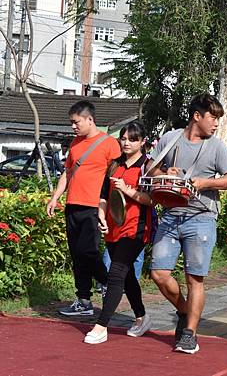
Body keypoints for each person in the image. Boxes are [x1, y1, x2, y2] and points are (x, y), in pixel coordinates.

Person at [147, 93, 227, 354]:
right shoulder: (171, 138)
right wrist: (165, 172)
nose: (215, 124)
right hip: (170, 215)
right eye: (212, 118)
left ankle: (189, 332)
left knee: (194, 279)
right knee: (159, 274)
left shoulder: (217, 147)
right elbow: (150, 168)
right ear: (196, 116)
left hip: (201, 218)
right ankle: (185, 311)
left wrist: (205, 182)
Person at [47, 100, 121, 316]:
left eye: (76, 122)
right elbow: (67, 173)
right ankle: (83, 300)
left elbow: (114, 178)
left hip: (93, 207)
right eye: (71, 122)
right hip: (73, 205)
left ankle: (107, 283)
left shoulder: (109, 144)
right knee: (77, 254)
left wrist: (108, 208)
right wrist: (55, 198)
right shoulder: (75, 144)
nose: (73, 126)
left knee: (87, 251)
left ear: (90, 119)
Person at [84, 121, 154, 344]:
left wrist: (129, 191)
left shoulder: (148, 166)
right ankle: (142, 317)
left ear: (142, 142)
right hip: (114, 227)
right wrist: (102, 215)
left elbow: (152, 199)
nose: (126, 143)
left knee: (115, 274)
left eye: (132, 139)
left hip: (136, 228)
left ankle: (101, 326)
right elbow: (104, 195)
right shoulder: (114, 165)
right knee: (127, 276)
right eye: (123, 138)